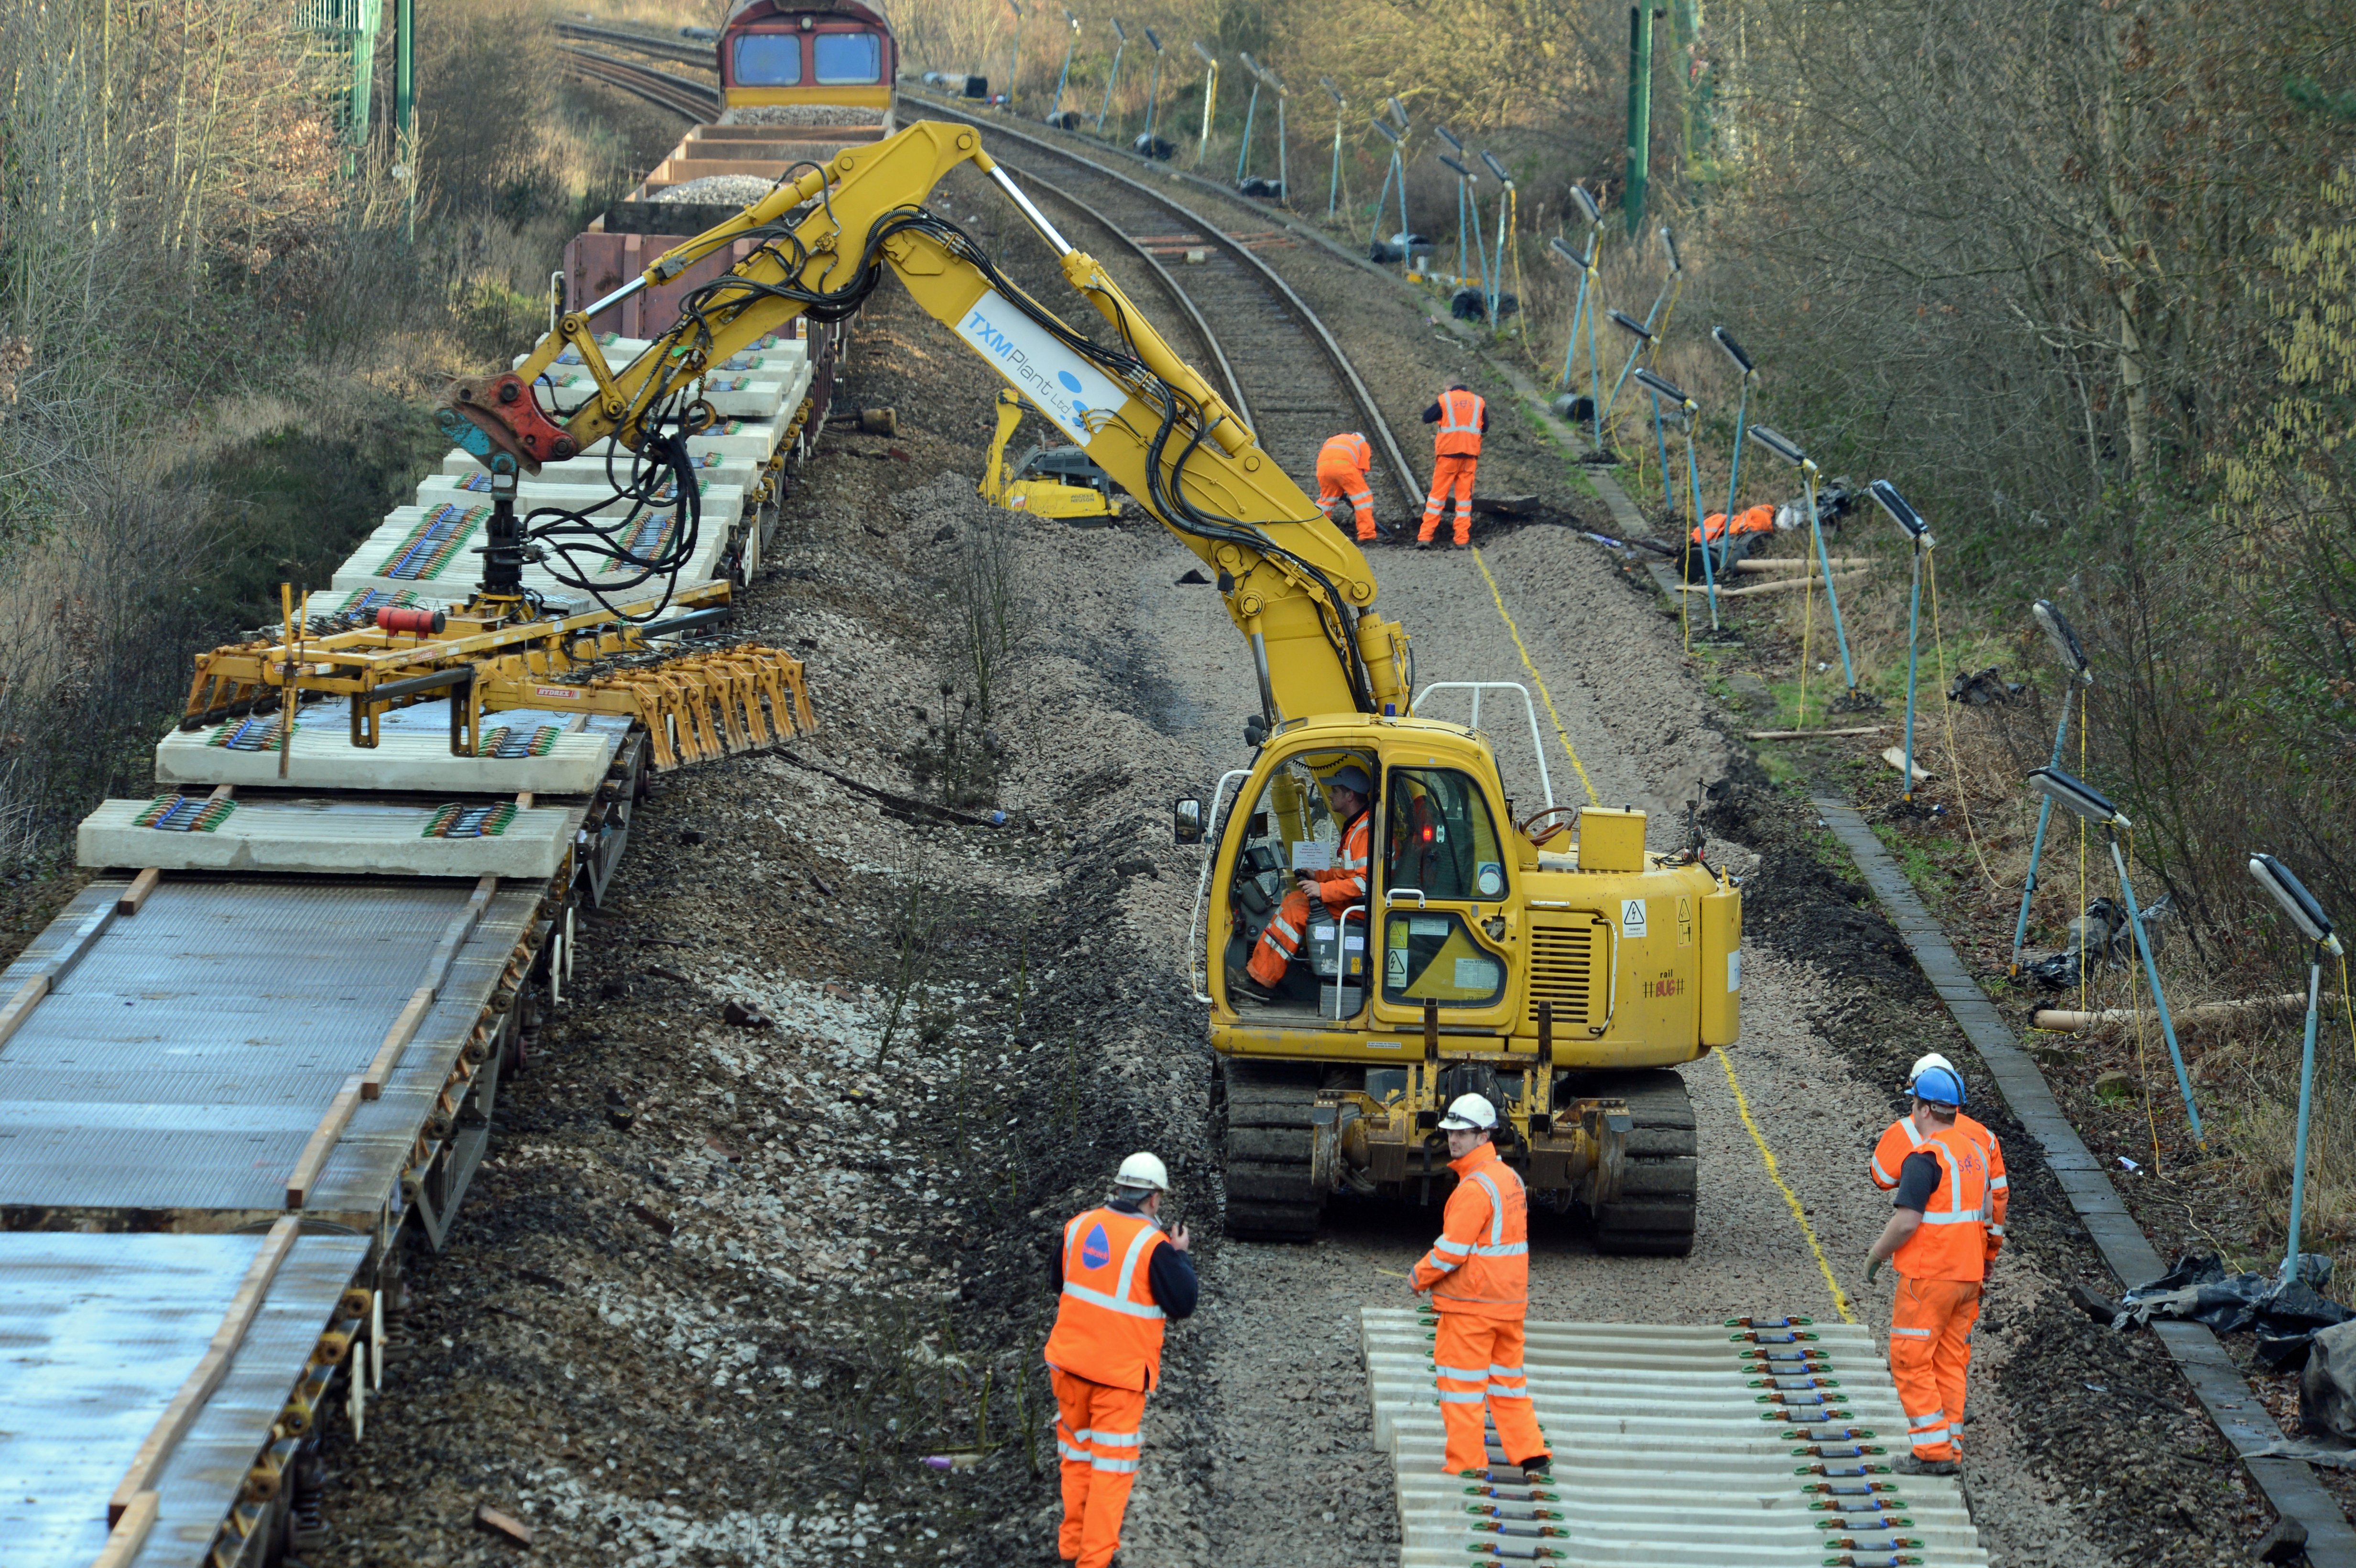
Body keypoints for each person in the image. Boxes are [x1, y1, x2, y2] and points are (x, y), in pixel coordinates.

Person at [1045, 1153, 1198, 1568]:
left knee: (1076, 1459)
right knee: (1111, 1471)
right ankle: (1093, 1562)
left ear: (1119, 1188)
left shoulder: (1078, 1227)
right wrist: (1180, 1254)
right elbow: (1183, 1303)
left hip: (1070, 1368)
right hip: (1119, 1378)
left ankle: (1071, 1550)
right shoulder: (1155, 1246)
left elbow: (1059, 1282)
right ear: (1153, 1200)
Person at [1863, 1064, 2001, 1476]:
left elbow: (1907, 1222)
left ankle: (1931, 1451)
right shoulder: (1975, 1152)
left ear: (1922, 1109)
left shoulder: (1924, 1158)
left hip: (1929, 1278)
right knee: (1950, 1361)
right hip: (1967, 1278)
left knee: (1909, 1359)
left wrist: (1876, 1255)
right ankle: (1951, 1445)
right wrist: (1988, 1257)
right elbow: (1991, 1212)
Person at [1411, 1093, 1550, 1481]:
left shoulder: (1473, 1188)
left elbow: (1451, 1251)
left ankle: (1468, 1463)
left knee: (1461, 1388)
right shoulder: (1509, 1180)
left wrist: (1419, 1276)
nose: (1453, 1141)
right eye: (1451, 1132)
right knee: (1508, 1383)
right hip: (1508, 1305)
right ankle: (1531, 1455)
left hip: (1471, 1307)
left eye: (1463, 1133)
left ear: (1483, 1135)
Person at [1238, 764, 1373, 1000]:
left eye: (1335, 792)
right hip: (1356, 903)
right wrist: (1319, 877)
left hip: (1360, 910)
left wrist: (1322, 890)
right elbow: (1351, 875)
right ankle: (1265, 971)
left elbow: (1365, 883)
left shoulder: (1364, 832)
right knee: (1296, 899)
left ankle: (1262, 979)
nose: (1330, 795)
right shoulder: (1357, 826)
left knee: (1296, 911)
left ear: (1350, 795)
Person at [1416, 376, 1487, 550]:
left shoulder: (1445, 399)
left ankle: (1425, 537)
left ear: (1449, 387)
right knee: (1464, 500)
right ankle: (1462, 539)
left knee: (1437, 497)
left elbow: (1426, 417)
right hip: (1469, 457)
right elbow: (1485, 427)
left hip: (1448, 455)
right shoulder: (1478, 402)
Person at [1317, 431, 1379, 543]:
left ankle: (1315, 530)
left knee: (1326, 501)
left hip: (1323, 469)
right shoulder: (1362, 443)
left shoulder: (1333, 440)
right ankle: (1367, 535)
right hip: (1344, 469)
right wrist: (1352, 494)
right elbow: (1362, 468)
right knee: (1363, 500)